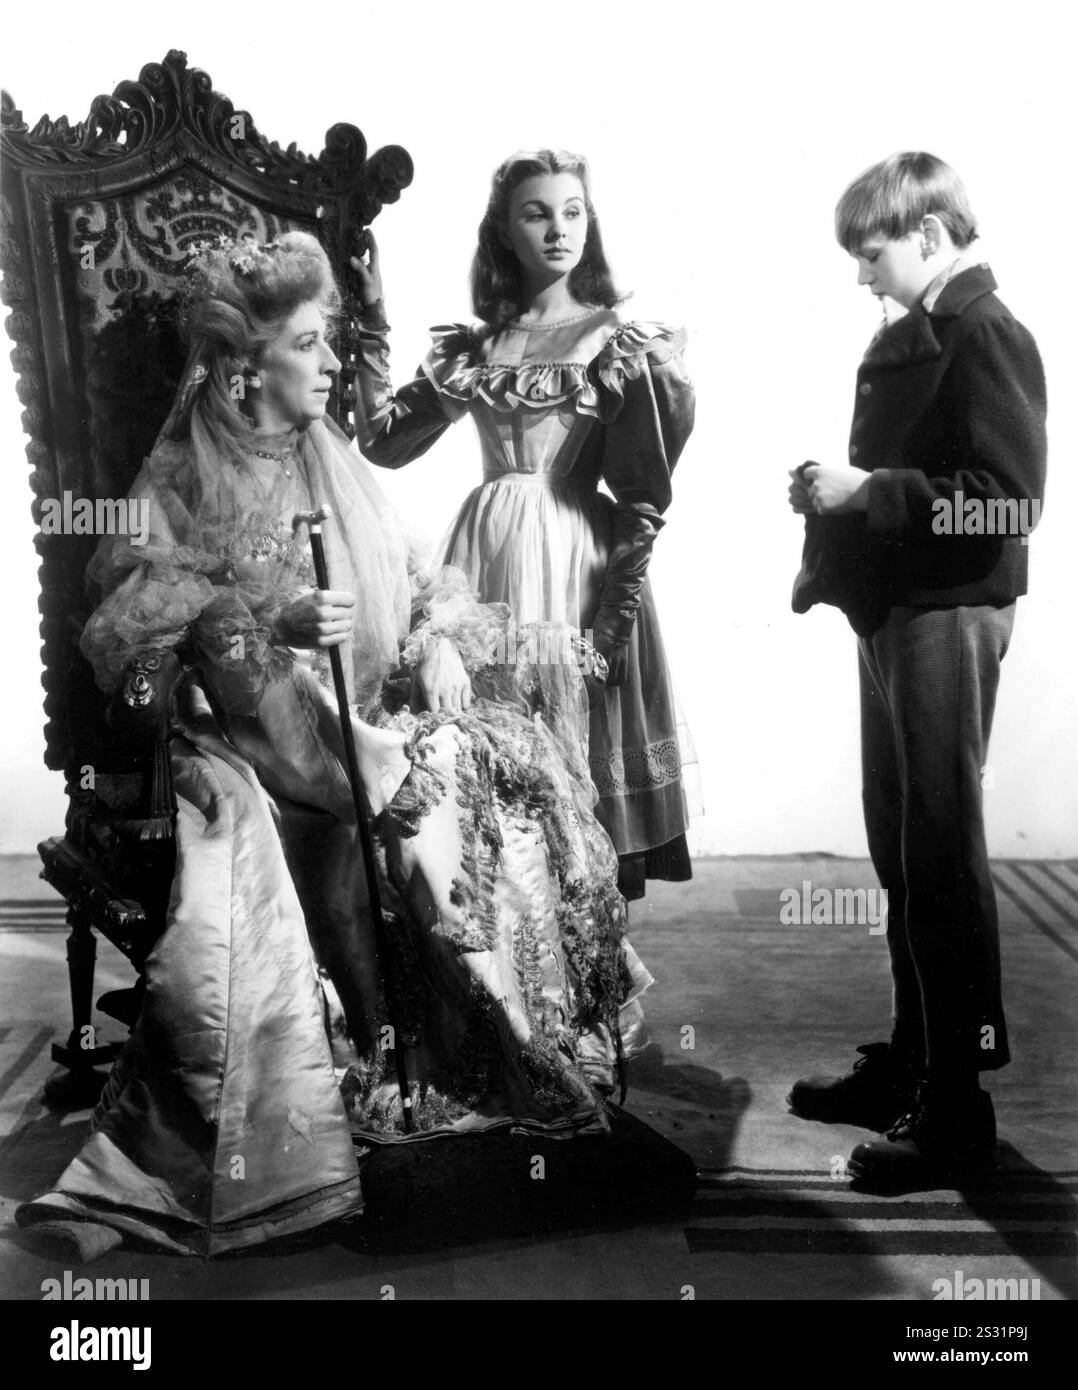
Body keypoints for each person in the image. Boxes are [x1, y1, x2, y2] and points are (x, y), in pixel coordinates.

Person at [16, 231, 651, 1258]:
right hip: (260, 745)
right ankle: (411, 1027)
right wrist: (268, 625)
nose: (332, 365)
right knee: (237, 641)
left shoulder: (336, 458)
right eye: (309, 345)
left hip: (371, 713)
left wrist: (437, 637)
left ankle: (500, 1052)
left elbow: (418, 576)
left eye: (330, 341)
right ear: (241, 368)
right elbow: (131, 608)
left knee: (474, 762)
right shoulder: (182, 474)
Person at [786, 153, 1047, 1190]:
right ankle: (914, 1058)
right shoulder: (923, 332)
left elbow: (1005, 504)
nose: (861, 274)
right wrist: (839, 500)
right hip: (901, 616)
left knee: (939, 850)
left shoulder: (986, 333)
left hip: (948, 617)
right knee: (903, 848)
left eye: (872, 250)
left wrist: (868, 492)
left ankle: (956, 1103)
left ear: (930, 235)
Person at [348, 149, 696, 902]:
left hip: (574, 562)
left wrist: (610, 628)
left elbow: (643, 498)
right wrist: (370, 313)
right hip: (485, 563)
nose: (558, 228)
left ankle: (597, 998)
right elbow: (380, 438)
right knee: (496, 783)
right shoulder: (478, 350)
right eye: (536, 213)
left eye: (573, 212)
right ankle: (528, 995)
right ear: (504, 232)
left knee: (577, 784)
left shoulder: (618, 342)